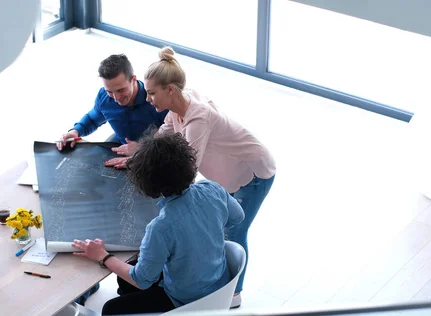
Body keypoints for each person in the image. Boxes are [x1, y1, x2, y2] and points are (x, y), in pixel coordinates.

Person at [111, 46, 276, 308]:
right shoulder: (177, 108)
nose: (149, 98)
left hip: (253, 172)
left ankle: (232, 294)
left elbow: (186, 170)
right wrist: (137, 156)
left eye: (152, 92)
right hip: (228, 175)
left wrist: (151, 183)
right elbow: (161, 137)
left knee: (234, 231)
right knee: (213, 222)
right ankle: (205, 277)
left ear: (170, 90)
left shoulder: (198, 119)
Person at [72, 132, 245, 315]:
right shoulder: (212, 188)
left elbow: (141, 280)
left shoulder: (161, 228)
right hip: (218, 284)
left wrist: (104, 256)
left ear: (147, 185)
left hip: (186, 300)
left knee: (110, 308)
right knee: (126, 277)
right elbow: (237, 217)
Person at [56, 53, 168, 168]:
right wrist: (76, 131)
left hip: (154, 152)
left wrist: (142, 150)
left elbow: (174, 140)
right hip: (121, 145)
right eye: (110, 91)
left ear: (133, 79)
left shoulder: (155, 99)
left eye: (120, 90)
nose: (116, 98)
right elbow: (92, 119)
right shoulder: (104, 97)